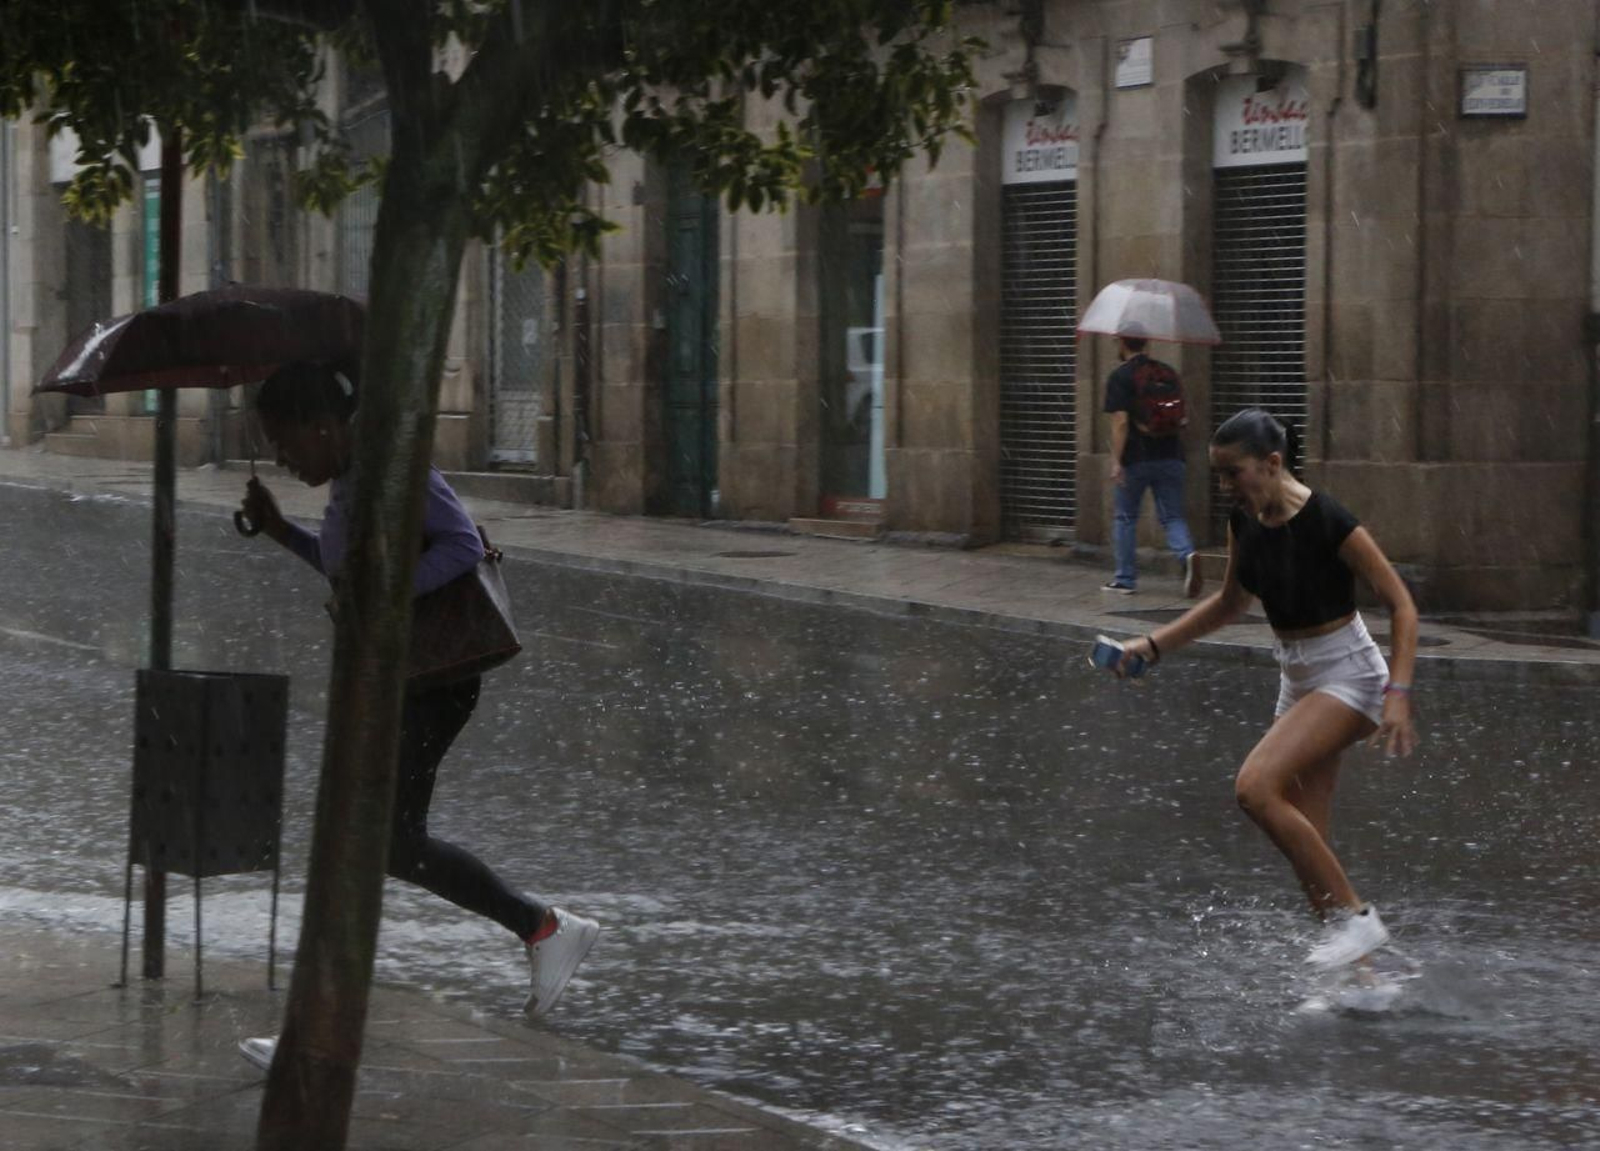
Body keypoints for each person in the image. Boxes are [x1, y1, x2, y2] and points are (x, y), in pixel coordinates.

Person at [233, 362, 597, 1070]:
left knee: (366, 843)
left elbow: (461, 544)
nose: (281, 457)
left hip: (428, 682)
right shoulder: (347, 485)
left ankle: (320, 1035)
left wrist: (387, 596)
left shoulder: (389, 473)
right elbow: (351, 577)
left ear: (323, 426)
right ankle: (542, 927)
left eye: (284, 441)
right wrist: (283, 532)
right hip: (395, 682)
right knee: (377, 844)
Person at [1110, 408, 1418, 969]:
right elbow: (1230, 604)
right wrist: (1152, 647)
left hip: (1349, 674)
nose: (1228, 487)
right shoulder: (1244, 520)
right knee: (1308, 844)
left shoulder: (1330, 520)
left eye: (1235, 473)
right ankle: (1364, 983)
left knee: (1254, 787)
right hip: (1297, 677)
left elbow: (1401, 604)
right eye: (1221, 476)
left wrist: (1398, 691)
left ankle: (1359, 921)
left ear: (1273, 464)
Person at [1102, 333, 1203, 598]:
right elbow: (1182, 418)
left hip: (1136, 458)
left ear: (1122, 343)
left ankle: (1125, 579)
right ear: (1147, 343)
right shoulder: (1167, 372)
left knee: (1125, 517)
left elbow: (1121, 423)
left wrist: (1116, 461)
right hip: (1171, 455)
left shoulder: (1120, 377)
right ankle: (1187, 554)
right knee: (1172, 516)